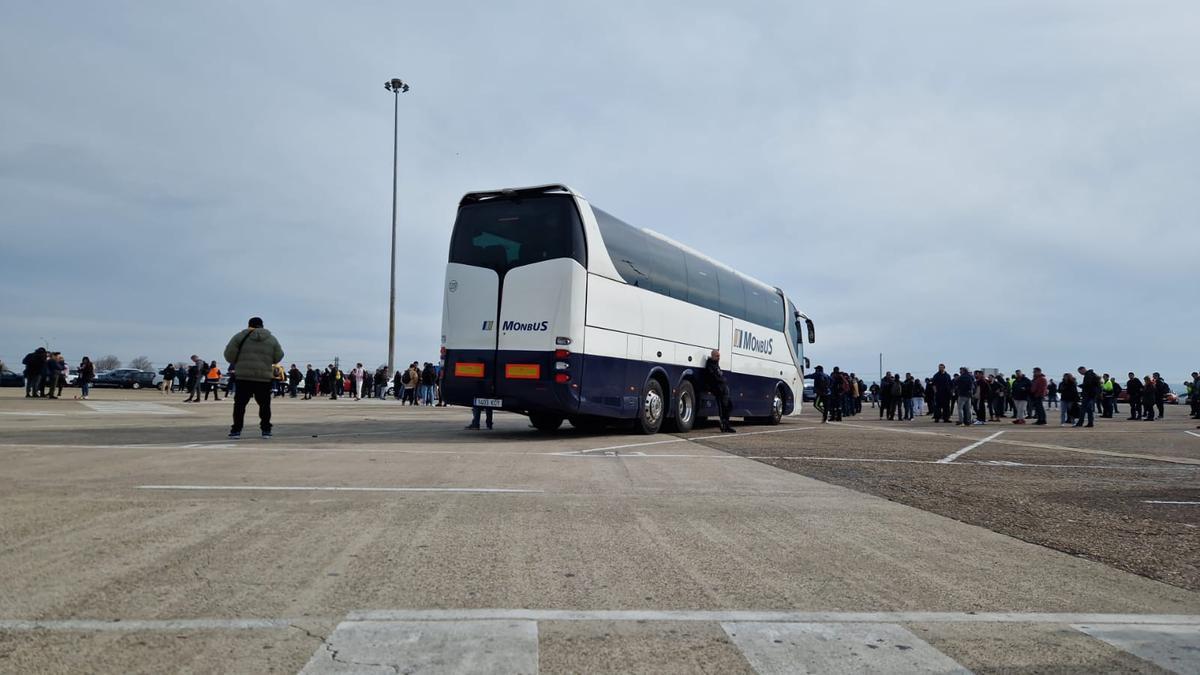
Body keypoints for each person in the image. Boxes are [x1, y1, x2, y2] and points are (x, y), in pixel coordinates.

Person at [224, 317, 284, 439]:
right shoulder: (271, 339)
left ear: (249, 325)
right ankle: (266, 430)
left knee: (240, 405)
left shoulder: (239, 337)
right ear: (262, 325)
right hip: (263, 378)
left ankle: (236, 430)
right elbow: (278, 356)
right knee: (264, 405)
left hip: (243, 377)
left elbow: (229, 356)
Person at [703, 349, 736, 432]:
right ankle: (725, 425)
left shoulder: (716, 365)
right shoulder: (710, 365)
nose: (719, 358)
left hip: (723, 388)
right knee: (724, 407)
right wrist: (722, 380)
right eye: (717, 356)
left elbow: (719, 375)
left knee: (729, 406)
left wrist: (722, 380)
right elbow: (713, 377)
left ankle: (725, 424)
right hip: (718, 389)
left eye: (719, 356)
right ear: (713, 356)